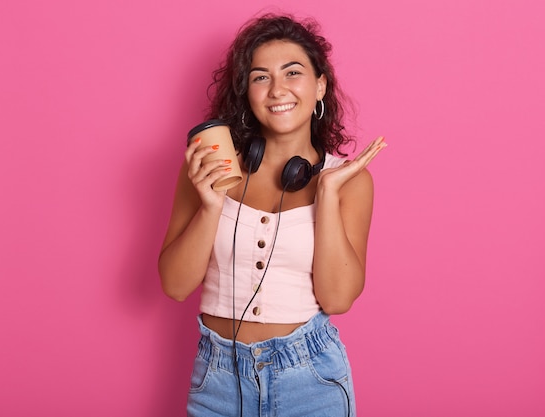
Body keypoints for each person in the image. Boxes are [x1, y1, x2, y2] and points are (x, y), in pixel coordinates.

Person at [158, 13, 386, 417]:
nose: (277, 89)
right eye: (260, 77)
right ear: (247, 92)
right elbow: (175, 286)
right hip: (217, 378)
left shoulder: (349, 182)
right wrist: (212, 205)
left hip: (310, 379)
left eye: (292, 72)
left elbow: (338, 298)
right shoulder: (208, 169)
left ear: (320, 85)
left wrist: (328, 193)